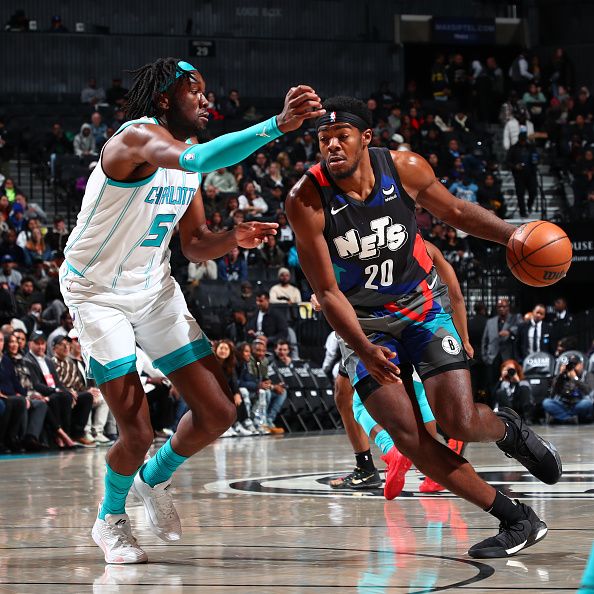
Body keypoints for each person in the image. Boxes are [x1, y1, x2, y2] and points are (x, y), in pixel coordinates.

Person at [59, 57, 323, 563]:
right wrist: (277, 125)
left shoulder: (188, 160)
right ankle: (109, 521)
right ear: (164, 100)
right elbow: (200, 163)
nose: (207, 101)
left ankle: (152, 480)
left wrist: (233, 238)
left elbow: (197, 243)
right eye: (195, 91)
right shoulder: (135, 140)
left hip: (153, 288)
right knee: (135, 430)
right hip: (96, 293)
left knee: (220, 411)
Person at [285, 96, 560, 559]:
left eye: (341, 136)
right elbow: (328, 293)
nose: (331, 145)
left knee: (458, 421)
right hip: (365, 324)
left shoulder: (404, 167)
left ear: (366, 138)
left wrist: (511, 234)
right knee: (412, 441)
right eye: (323, 138)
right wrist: (362, 349)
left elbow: (455, 212)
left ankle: (508, 431)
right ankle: (517, 520)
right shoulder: (305, 199)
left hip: (421, 307)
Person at [314, 241, 472, 496]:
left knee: (355, 402)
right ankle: (434, 469)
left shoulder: (369, 241)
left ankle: (389, 453)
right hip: (429, 327)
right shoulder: (427, 249)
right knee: (417, 395)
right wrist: (463, 337)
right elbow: (455, 294)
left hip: (375, 328)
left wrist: (322, 295)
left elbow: (339, 281)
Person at [543, 355, 593, 424]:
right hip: (563, 404)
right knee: (547, 403)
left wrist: (575, 378)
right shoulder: (563, 376)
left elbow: (588, 391)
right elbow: (553, 393)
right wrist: (560, 375)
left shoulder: (587, 375)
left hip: (578, 404)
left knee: (587, 404)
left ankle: (562, 418)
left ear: (581, 365)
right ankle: (570, 419)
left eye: (575, 365)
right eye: (570, 365)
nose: (573, 368)